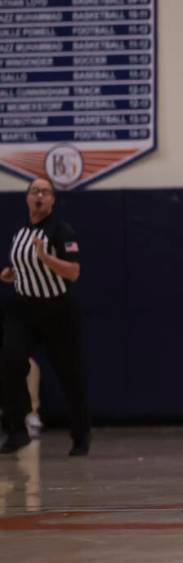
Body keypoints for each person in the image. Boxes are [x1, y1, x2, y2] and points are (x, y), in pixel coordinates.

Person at [0, 177, 89, 456]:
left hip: (57, 311)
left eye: (45, 192)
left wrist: (46, 258)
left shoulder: (61, 231)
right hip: (23, 310)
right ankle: (17, 429)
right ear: (27, 198)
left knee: (69, 375)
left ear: (52, 200)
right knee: (9, 363)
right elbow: (25, 265)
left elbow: (73, 272)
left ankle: (80, 436)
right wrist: (12, 273)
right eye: (34, 191)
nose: (39, 195)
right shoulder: (20, 232)